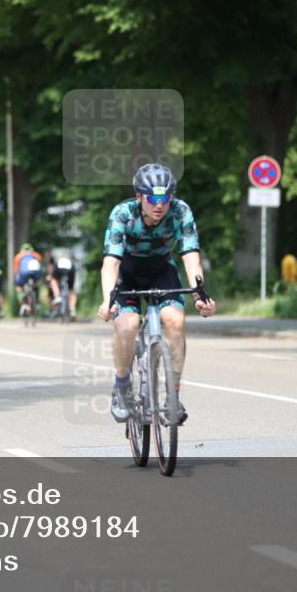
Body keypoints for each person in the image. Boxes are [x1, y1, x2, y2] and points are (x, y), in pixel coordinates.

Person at [98, 163, 216, 424]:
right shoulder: (123, 214)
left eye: (165, 198)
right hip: (127, 274)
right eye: (152, 198)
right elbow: (111, 263)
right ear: (139, 197)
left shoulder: (180, 212)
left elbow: (190, 255)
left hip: (161, 269)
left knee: (175, 320)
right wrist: (108, 299)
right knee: (128, 324)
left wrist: (199, 295)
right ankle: (121, 387)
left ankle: (173, 397)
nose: (159, 205)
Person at [47, 247, 78, 317]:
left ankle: (57, 296)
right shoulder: (70, 254)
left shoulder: (55, 256)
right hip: (71, 269)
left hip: (59, 268)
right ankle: (72, 308)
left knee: (53, 280)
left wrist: (50, 277)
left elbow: (51, 269)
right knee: (72, 290)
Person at [13, 243, 43, 313]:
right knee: (37, 284)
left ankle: (23, 304)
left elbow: (16, 270)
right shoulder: (36, 254)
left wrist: (17, 277)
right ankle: (37, 302)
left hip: (24, 273)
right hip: (35, 273)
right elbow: (40, 266)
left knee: (19, 287)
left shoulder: (18, 256)